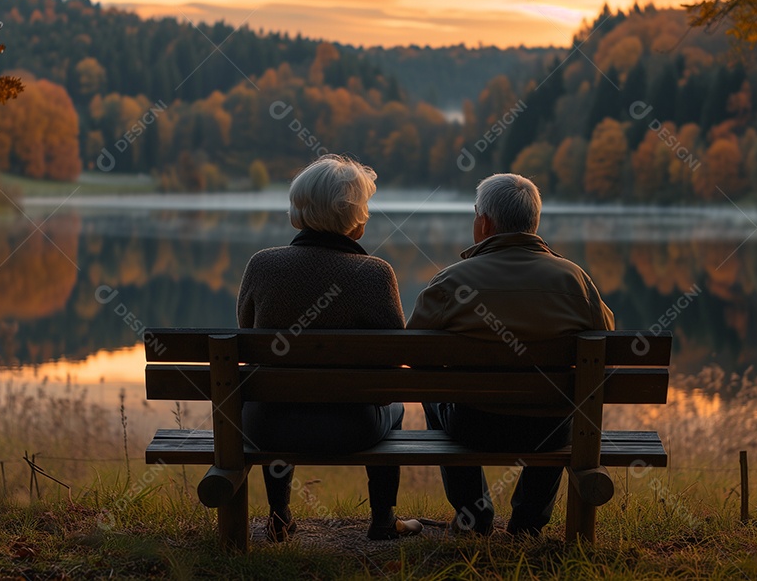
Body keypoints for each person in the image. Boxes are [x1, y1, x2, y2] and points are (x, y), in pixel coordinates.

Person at [407, 173, 614, 537]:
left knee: (433, 391)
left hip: (474, 426)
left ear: (484, 222)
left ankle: (473, 515)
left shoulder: (451, 282)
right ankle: (529, 521)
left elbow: (412, 352)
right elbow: (607, 349)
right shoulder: (575, 280)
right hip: (549, 430)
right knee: (563, 401)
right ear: (534, 222)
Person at [238, 154, 423, 542]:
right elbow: (395, 362)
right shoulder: (375, 274)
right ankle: (384, 519)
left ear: (298, 211)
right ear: (356, 219)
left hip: (267, 426)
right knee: (396, 408)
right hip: (351, 429)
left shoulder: (261, 266)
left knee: (274, 390)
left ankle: (279, 515)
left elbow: (248, 341)